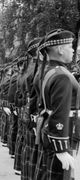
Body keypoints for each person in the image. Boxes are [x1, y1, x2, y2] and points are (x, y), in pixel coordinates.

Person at [37, 29, 79, 180]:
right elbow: (59, 112)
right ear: (60, 49)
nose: (73, 49)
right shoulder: (62, 76)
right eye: (70, 46)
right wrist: (61, 148)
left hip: (51, 131)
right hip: (61, 133)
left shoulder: (51, 71)